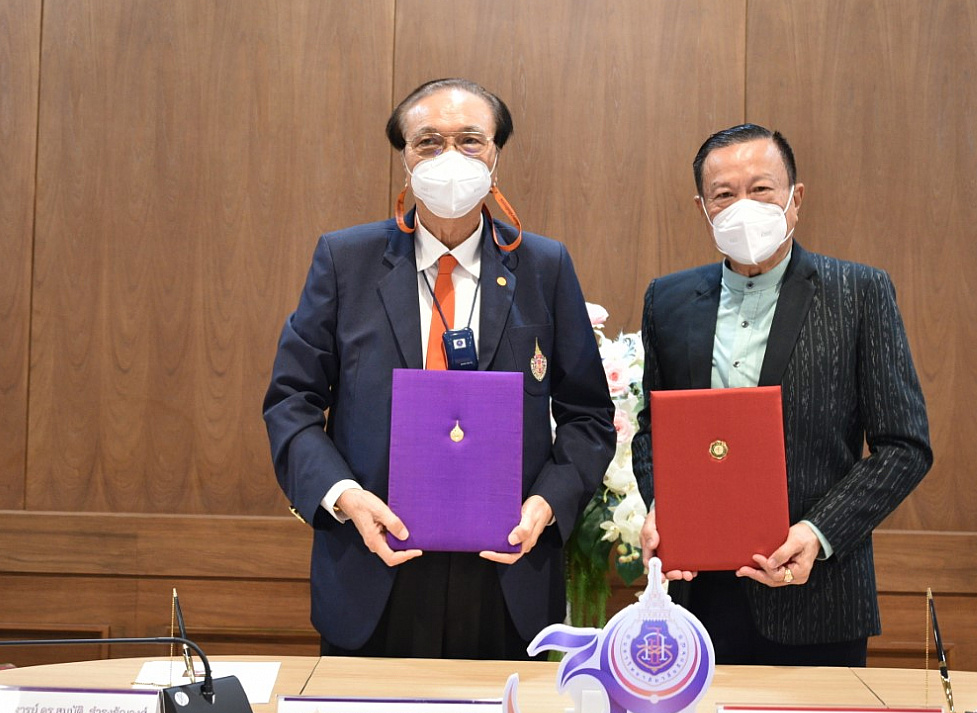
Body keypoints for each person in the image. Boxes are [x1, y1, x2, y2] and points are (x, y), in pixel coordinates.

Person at [264, 78, 615, 658]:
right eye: (428, 142)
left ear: (496, 156)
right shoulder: (345, 261)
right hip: (374, 565)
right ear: (405, 159)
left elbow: (588, 416)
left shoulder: (544, 266)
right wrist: (345, 497)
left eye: (470, 140)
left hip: (507, 573)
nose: (450, 156)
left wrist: (547, 504)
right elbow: (291, 403)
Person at [631, 123, 932, 666]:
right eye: (724, 194)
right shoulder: (668, 300)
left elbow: (904, 446)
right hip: (695, 597)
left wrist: (818, 533)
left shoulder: (859, 293)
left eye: (761, 189)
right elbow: (653, 429)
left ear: (796, 198)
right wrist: (662, 507)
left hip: (816, 595)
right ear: (703, 209)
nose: (743, 206)